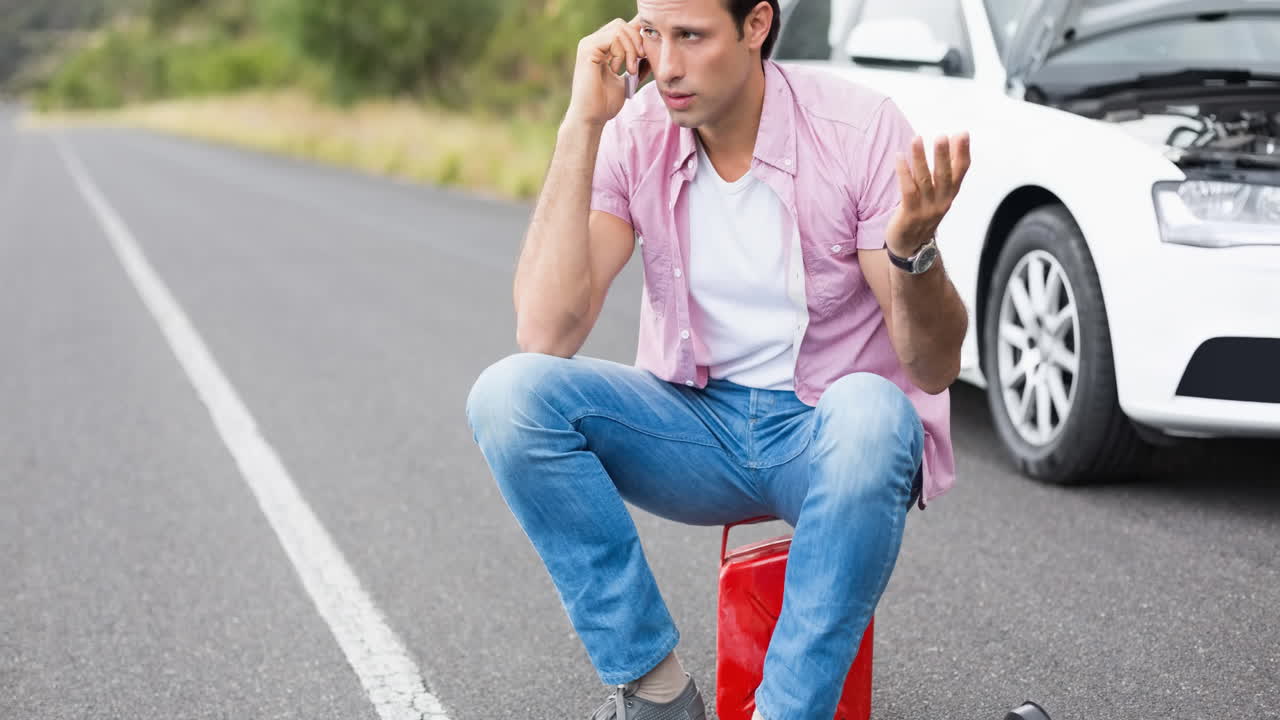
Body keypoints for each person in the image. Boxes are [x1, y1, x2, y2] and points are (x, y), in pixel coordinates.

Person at [465, 0, 971, 718]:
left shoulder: (858, 132)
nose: (666, 66)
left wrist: (914, 252)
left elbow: (933, 368)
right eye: (652, 34)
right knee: (508, 397)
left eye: (692, 37)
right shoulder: (635, 131)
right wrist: (581, 124)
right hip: (695, 432)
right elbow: (545, 333)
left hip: (825, 438)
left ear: (756, 26)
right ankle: (656, 695)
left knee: (874, 412)